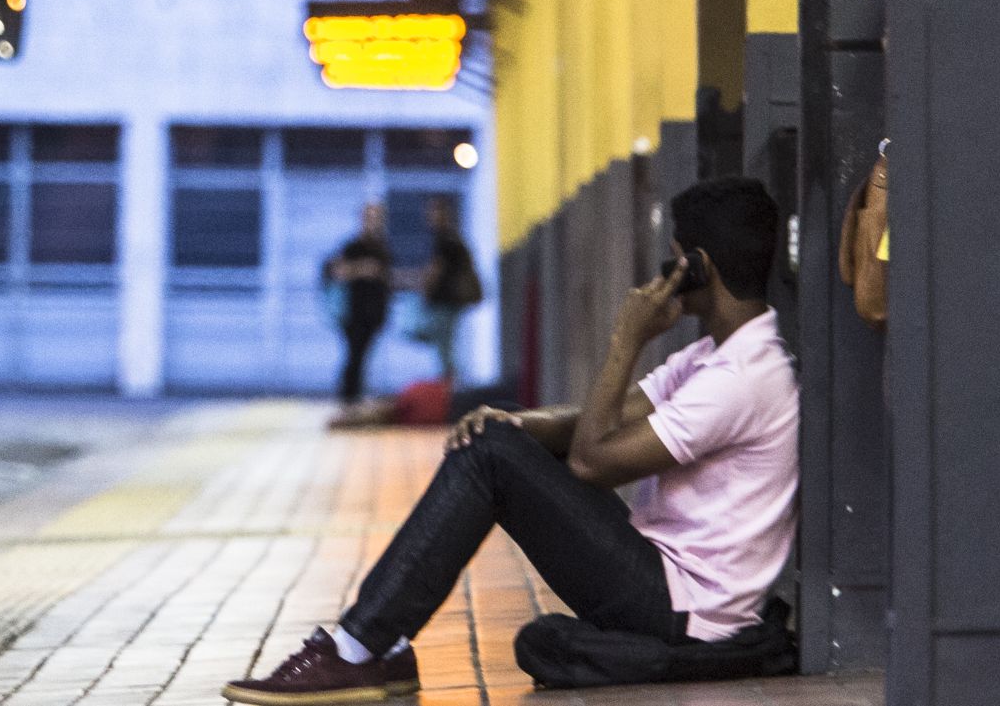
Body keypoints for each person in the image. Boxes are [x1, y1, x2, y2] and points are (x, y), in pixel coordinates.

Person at [227, 176, 797, 703]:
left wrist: (626, 341)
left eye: (672, 258)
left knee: (492, 457)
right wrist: (512, 424)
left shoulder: (742, 378)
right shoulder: (711, 356)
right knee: (498, 435)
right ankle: (379, 646)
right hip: (667, 582)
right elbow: (599, 419)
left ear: (697, 267)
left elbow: (592, 460)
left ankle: (360, 649)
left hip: (684, 610)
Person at [322, 202, 394, 407]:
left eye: (377, 218)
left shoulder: (382, 248)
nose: (374, 222)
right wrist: (363, 269)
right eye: (370, 217)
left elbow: (387, 279)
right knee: (354, 355)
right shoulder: (353, 247)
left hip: (375, 311)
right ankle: (348, 398)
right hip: (354, 312)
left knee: (362, 357)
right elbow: (337, 271)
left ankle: (356, 396)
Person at [407, 197, 482, 383]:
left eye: (434, 212)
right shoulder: (451, 238)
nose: (430, 216)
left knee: (444, 347)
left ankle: (450, 387)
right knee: (444, 345)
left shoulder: (445, 239)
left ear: (444, 214)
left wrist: (425, 290)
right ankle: (449, 385)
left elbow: (436, 270)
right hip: (449, 301)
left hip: (445, 301)